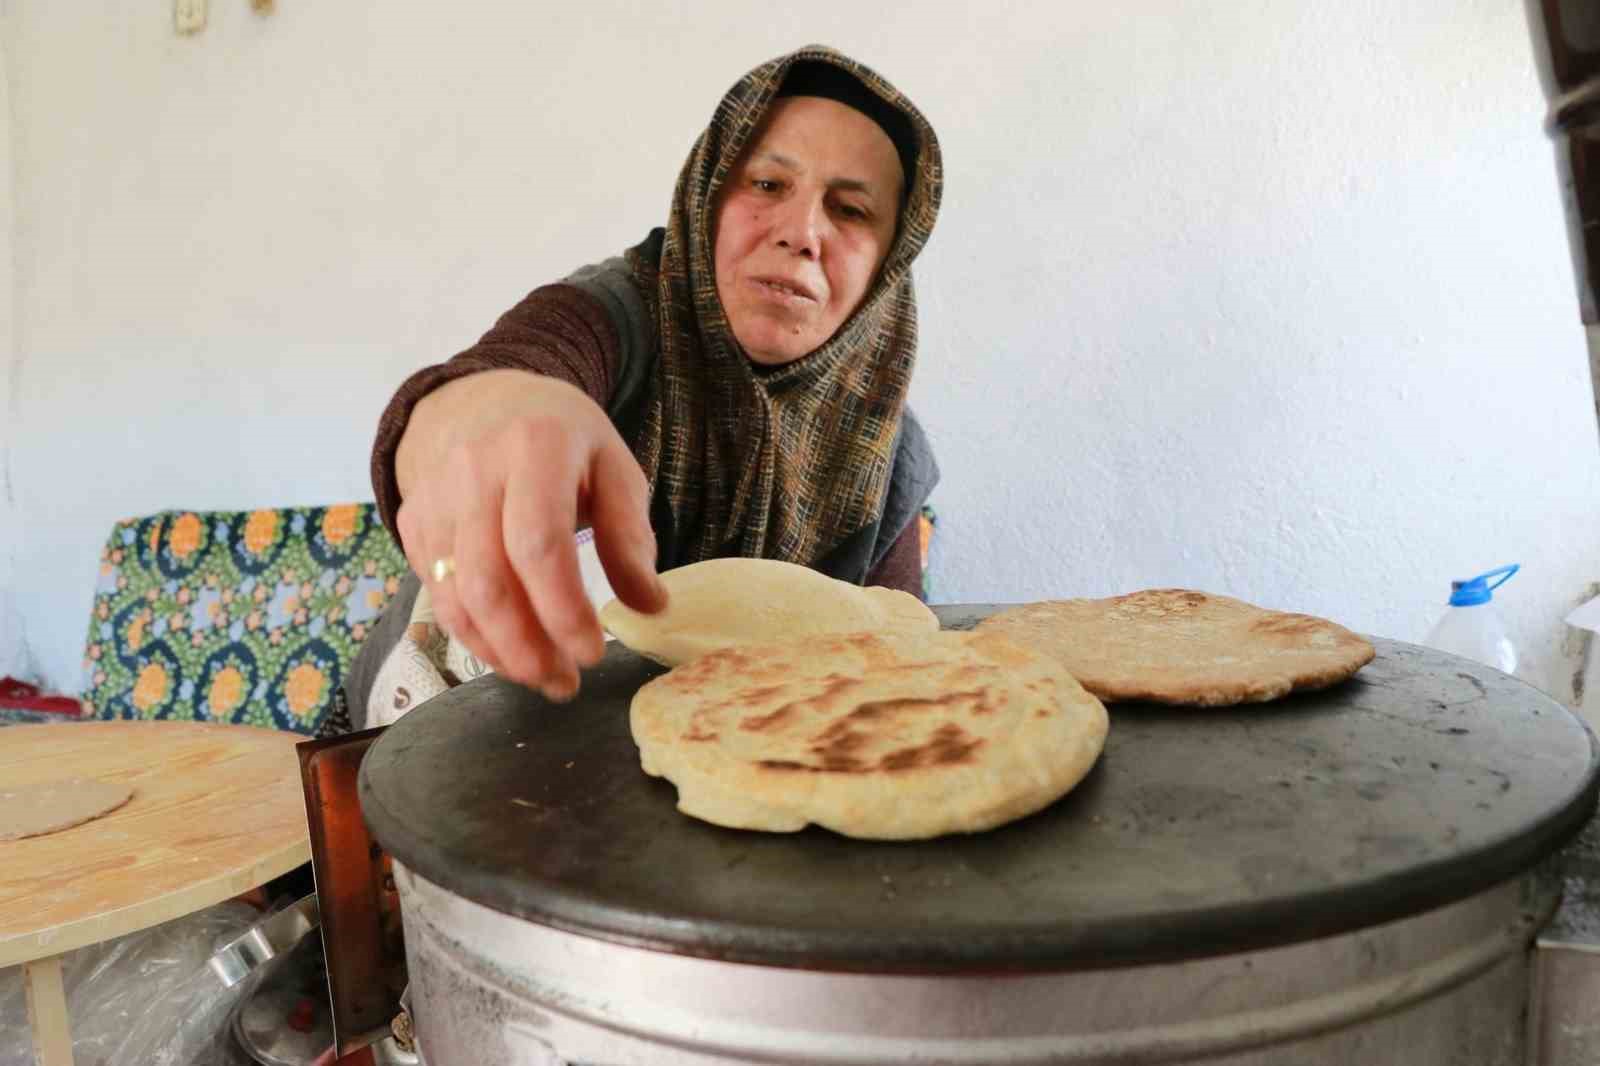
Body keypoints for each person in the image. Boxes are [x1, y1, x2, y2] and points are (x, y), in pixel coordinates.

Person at [337, 45, 944, 729]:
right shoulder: (612, 315)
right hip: (447, 742)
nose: (802, 232)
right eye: (767, 185)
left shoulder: (884, 453)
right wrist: (476, 415)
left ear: (890, 263)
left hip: (704, 781)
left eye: (852, 210)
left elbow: (895, 677)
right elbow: (502, 377)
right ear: (708, 197)